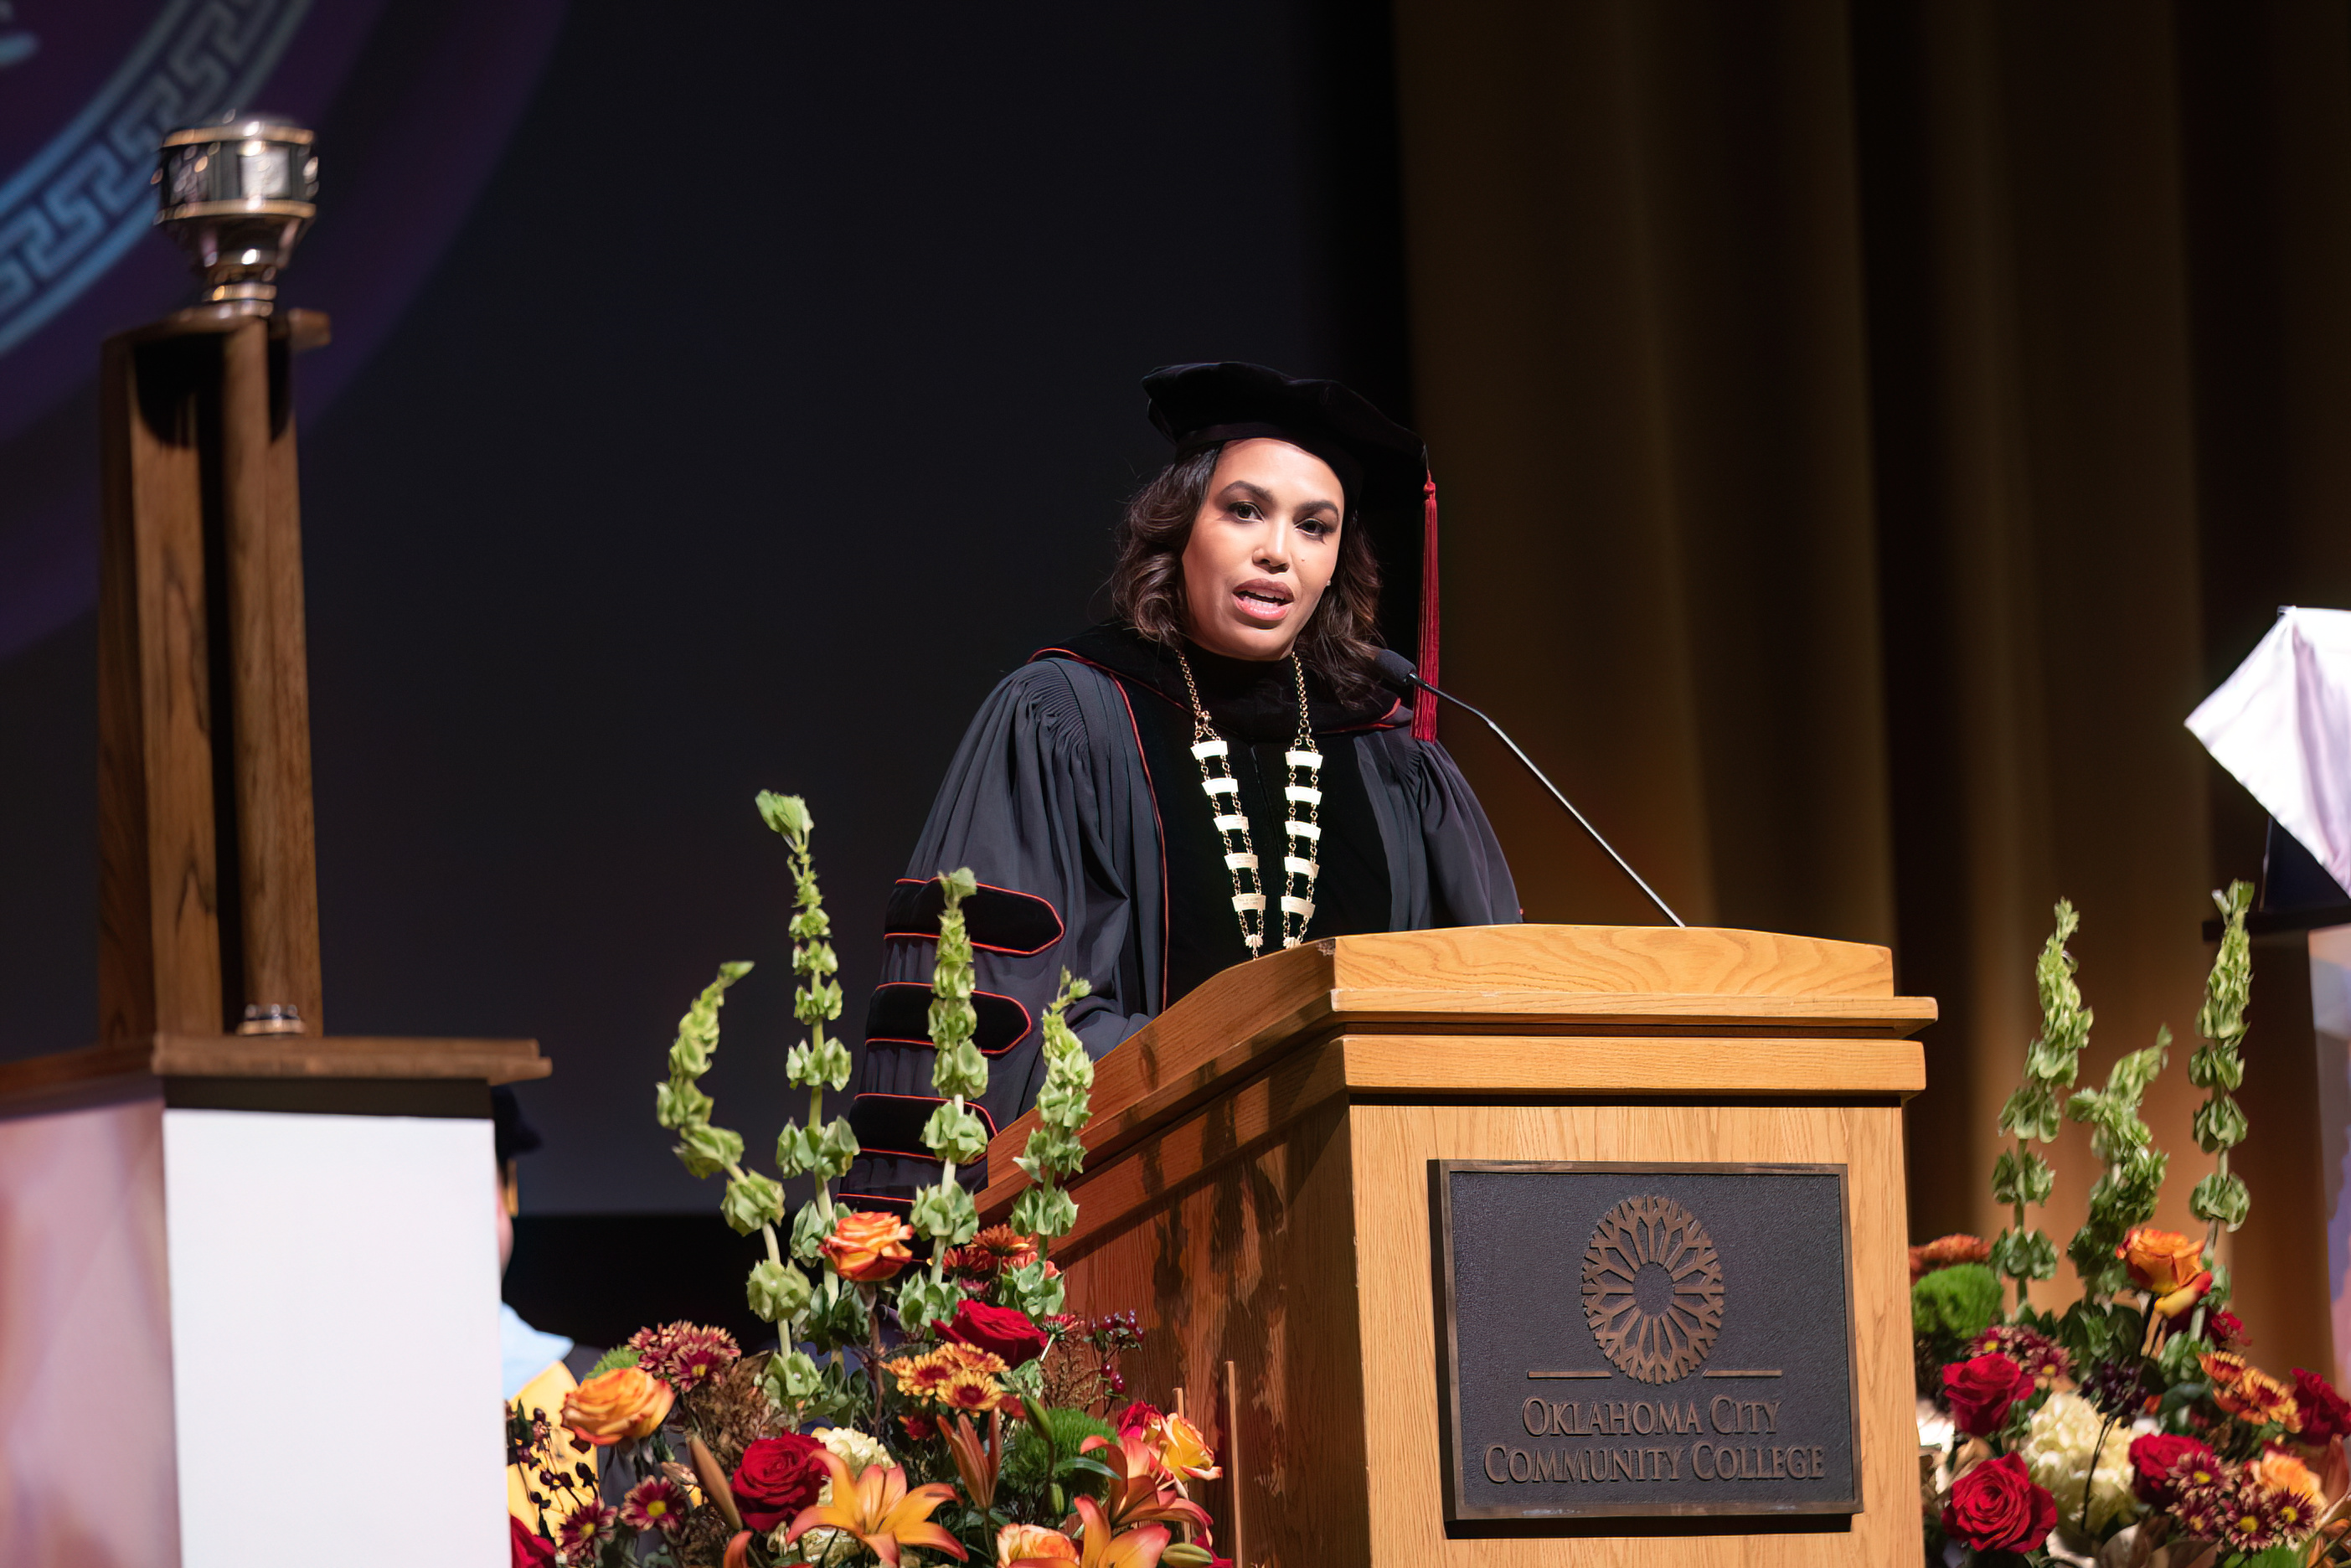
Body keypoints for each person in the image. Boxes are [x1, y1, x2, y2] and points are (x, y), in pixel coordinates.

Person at [838, 363, 1518, 1204]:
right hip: (1130, 1211)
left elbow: (1479, 1008)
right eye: (1243, 510)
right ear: (1177, 529)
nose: (1277, 551)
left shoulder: (1389, 752)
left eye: (1315, 527)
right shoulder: (1065, 718)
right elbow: (1001, 1019)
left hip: (1364, 1204)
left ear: (1337, 563)